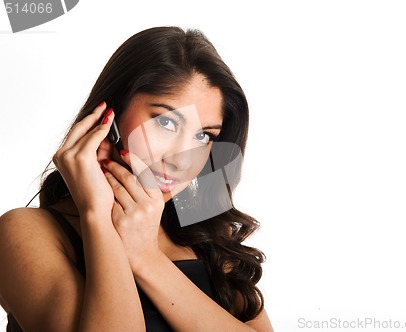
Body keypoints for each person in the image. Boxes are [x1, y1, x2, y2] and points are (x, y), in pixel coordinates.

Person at [0, 26, 273, 331]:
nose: (182, 159)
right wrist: (99, 219)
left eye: (202, 135)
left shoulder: (207, 238)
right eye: (166, 122)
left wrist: (147, 259)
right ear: (108, 119)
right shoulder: (24, 233)